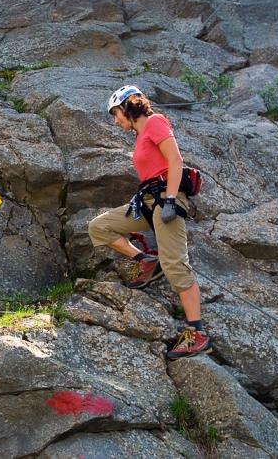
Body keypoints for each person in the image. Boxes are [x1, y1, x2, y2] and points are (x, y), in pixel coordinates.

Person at [88, 85, 212, 360]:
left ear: (127, 107)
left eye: (115, 114)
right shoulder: (139, 135)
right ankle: (145, 260)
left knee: (175, 263)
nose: (115, 120)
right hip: (146, 202)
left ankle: (198, 334)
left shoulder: (155, 122)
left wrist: (169, 201)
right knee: (99, 227)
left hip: (166, 199)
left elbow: (175, 160)